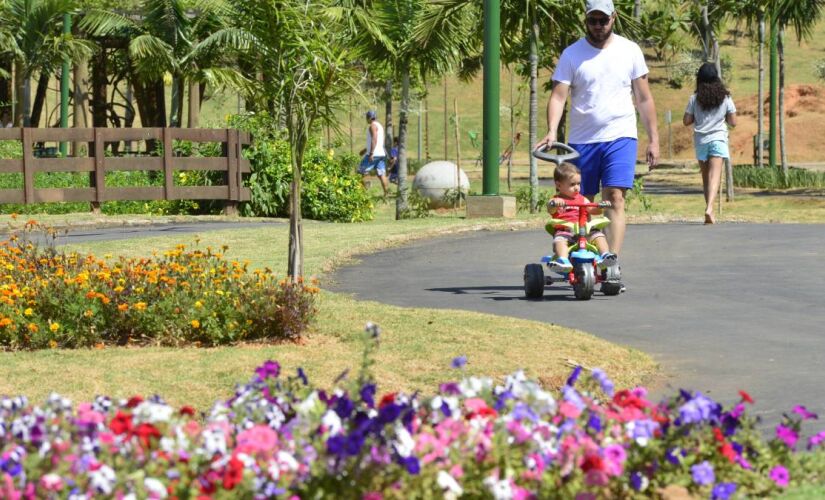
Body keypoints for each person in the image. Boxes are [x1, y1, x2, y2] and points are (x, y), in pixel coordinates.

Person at [535, 0, 660, 291]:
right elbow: (558, 96)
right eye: (593, 20)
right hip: (583, 139)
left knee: (615, 197)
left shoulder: (629, 50)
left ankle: (610, 268)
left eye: (603, 20)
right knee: (582, 204)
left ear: (613, 18)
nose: (598, 26)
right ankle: (580, 263)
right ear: (585, 20)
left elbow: (643, 98)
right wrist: (552, 130)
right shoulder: (572, 54)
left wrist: (653, 138)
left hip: (621, 135)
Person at [683, 63, 737, 225]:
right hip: (718, 139)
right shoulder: (725, 98)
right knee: (715, 176)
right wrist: (722, 116)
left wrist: (699, 116)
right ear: (716, 78)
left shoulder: (695, 98)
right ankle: (710, 208)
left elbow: (686, 121)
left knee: (706, 177)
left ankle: (709, 210)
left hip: (701, 140)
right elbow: (733, 122)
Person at [546, 163, 618, 274]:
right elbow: (550, 209)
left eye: (578, 184)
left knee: (598, 235)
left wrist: (600, 206)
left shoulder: (582, 199)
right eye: (572, 184)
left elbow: (593, 210)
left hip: (584, 230)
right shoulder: (556, 200)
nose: (577, 187)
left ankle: (605, 255)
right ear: (559, 185)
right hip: (566, 231)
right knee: (559, 241)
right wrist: (554, 204)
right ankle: (563, 261)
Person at [358, 110, 390, 199]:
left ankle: (365, 187)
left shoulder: (372, 126)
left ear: (368, 118)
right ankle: (386, 194)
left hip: (373, 154)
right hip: (381, 154)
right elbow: (378, 141)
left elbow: (374, 139)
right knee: (381, 175)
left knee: (360, 172)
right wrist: (365, 150)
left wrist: (371, 153)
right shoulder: (379, 126)